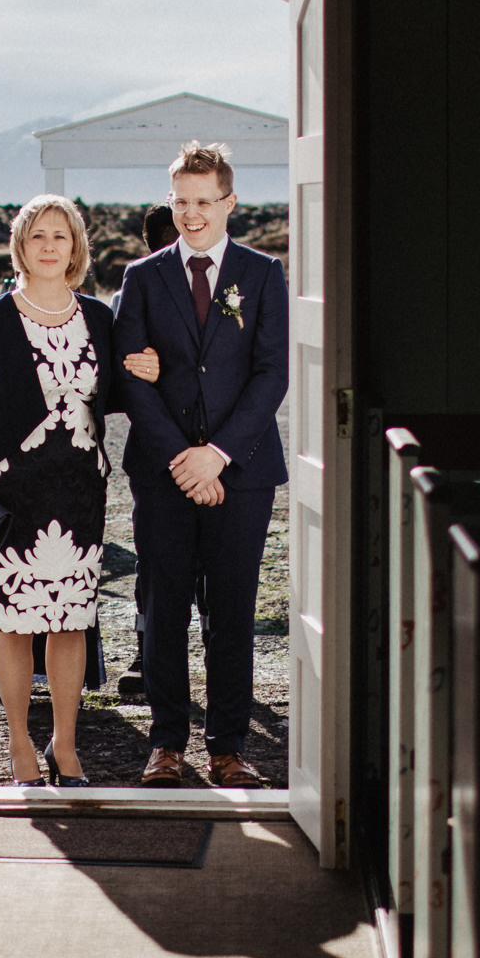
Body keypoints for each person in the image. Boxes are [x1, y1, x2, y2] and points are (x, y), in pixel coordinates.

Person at [112, 141, 288, 789]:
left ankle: (228, 747)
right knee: (164, 608)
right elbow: (131, 377)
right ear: (171, 201)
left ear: (229, 202)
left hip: (242, 471)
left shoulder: (263, 274)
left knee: (233, 611)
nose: (191, 214)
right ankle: (166, 744)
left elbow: (271, 374)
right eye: (181, 201)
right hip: (163, 472)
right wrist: (182, 459)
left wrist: (216, 456)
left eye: (204, 201)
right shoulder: (142, 277)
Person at [0, 195, 124, 785]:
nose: (50, 246)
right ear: (20, 246)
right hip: (13, 493)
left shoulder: (98, 317)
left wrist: (149, 366)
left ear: (76, 248)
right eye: (38, 236)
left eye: (61, 236)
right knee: (15, 622)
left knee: (72, 620)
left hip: (80, 492)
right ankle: (20, 743)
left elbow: (116, 394)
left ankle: (64, 745)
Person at [116, 201, 206, 701]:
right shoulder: (134, 291)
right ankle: (148, 657)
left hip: (216, 456)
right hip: (156, 456)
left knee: (209, 564)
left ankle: (210, 654)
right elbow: (127, 381)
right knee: (155, 563)